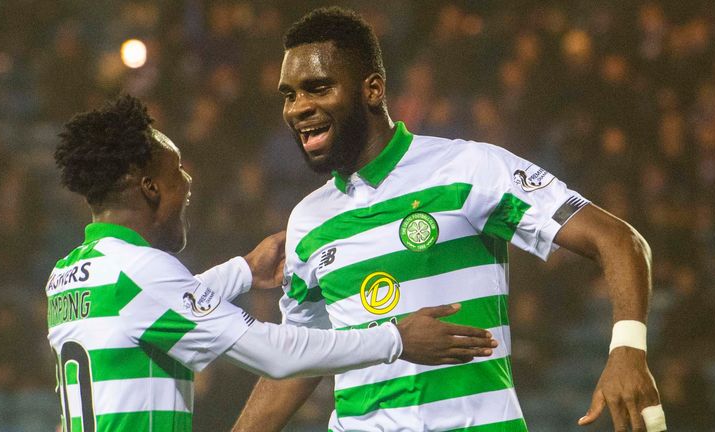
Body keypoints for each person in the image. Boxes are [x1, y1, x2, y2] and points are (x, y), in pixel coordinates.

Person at [233, 7, 666, 432]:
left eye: (317, 88)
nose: (298, 108)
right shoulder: (309, 220)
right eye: (289, 95)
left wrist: (628, 348)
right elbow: (301, 358)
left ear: (372, 89)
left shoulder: (467, 170)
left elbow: (618, 239)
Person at [46, 95, 497, 432]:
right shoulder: (140, 271)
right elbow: (275, 355)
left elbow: (152, 308)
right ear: (149, 187)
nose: (187, 183)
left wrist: (244, 270)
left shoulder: (69, 276)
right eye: (177, 171)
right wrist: (395, 338)